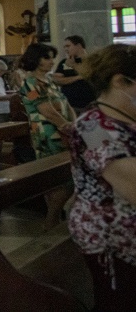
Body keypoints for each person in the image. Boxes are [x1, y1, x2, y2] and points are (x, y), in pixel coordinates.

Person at [67, 44, 136, 308]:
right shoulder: (92, 126)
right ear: (119, 81)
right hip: (111, 235)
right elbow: (132, 187)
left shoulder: (127, 118)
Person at [18, 42, 75, 229]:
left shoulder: (49, 80)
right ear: (35, 59)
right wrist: (66, 126)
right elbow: (46, 110)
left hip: (63, 130)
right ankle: (52, 218)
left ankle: (53, 217)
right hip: (48, 134)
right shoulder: (30, 83)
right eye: (46, 58)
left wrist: (75, 123)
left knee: (65, 177)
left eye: (52, 57)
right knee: (62, 178)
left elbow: (65, 103)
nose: (52, 61)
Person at [53, 35, 96, 113]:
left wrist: (74, 66)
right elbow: (57, 80)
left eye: (68, 46)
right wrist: (78, 77)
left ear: (79, 46)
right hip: (69, 106)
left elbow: (89, 75)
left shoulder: (92, 60)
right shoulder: (64, 62)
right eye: (64, 47)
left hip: (90, 105)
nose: (66, 49)